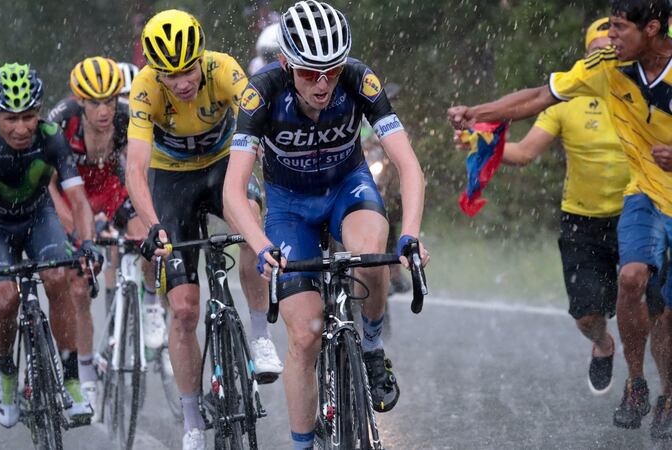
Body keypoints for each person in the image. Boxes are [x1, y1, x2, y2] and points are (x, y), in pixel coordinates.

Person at [447, 0, 672, 438]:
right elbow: (536, 97)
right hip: (640, 196)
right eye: (607, 30)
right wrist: (479, 113)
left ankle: (669, 395)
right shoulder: (605, 67)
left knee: (665, 310)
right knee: (631, 280)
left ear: (652, 28)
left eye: (620, 29)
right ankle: (636, 383)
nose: (610, 40)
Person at [223, 2, 429, 448]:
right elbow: (233, 191)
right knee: (305, 333)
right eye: (310, 74)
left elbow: (408, 166)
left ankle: (373, 350)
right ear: (286, 63)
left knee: (371, 255)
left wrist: (410, 234)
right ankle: (302, 443)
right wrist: (261, 246)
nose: (322, 84)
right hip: (289, 207)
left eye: (331, 72)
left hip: (346, 189)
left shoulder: (359, 80)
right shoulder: (261, 91)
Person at [125, 10, 283, 450]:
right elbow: (136, 169)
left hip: (222, 167)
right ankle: (192, 418)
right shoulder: (144, 88)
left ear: (202, 58)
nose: (181, 82)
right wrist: (154, 226)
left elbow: (263, 123)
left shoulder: (224, 69)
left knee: (250, 223)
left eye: (187, 69)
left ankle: (259, 334)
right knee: (184, 310)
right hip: (170, 179)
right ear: (156, 72)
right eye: (169, 75)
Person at [0, 62, 102, 428]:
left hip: (38, 217)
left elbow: (78, 201)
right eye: (10, 118)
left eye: (29, 117)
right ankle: (6, 374)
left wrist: (87, 243)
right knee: (5, 301)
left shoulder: (51, 137)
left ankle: (70, 378)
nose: (21, 128)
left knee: (58, 278)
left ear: (38, 113)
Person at [47, 56, 158, 410]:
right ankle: (85, 371)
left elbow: (135, 170)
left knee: (150, 239)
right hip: (70, 192)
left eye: (109, 100)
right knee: (79, 287)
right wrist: (80, 229)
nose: (104, 109)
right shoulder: (61, 121)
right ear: (80, 100)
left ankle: (151, 301)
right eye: (95, 102)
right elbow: (49, 186)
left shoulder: (126, 115)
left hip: (110, 187)